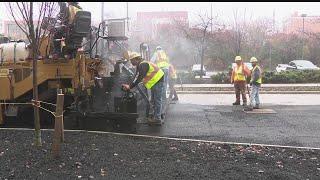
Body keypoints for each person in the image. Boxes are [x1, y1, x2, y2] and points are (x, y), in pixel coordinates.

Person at [122, 51, 164, 125]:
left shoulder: (143, 65)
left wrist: (130, 86)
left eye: (131, 60)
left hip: (158, 80)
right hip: (155, 81)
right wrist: (130, 85)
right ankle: (156, 115)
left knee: (157, 100)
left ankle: (157, 119)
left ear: (136, 59)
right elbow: (136, 76)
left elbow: (139, 77)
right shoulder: (140, 64)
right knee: (154, 99)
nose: (131, 62)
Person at [150, 46, 170, 119]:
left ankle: (157, 112)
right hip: (166, 70)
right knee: (164, 87)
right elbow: (168, 63)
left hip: (161, 70)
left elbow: (151, 62)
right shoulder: (164, 53)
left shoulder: (156, 53)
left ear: (156, 49)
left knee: (159, 87)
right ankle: (163, 109)